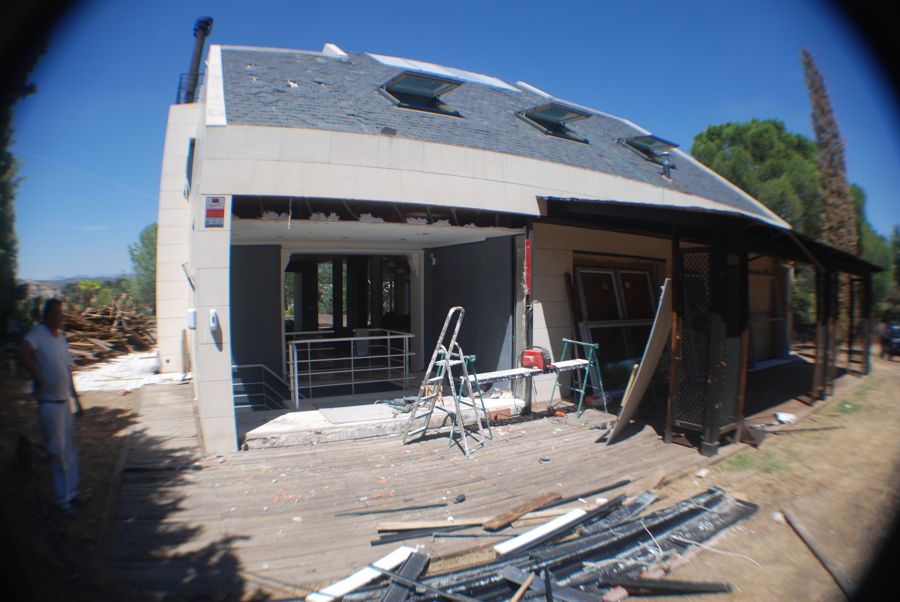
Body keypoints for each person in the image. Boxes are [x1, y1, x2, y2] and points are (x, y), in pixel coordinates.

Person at [18, 298, 84, 517]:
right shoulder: (39, 334)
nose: (59, 317)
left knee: (70, 451)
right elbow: (23, 351)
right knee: (57, 451)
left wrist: (78, 400)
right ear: (46, 316)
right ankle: (62, 501)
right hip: (49, 404)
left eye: (61, 314)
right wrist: (36, 376)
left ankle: (72, 493)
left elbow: (68, 370)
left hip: (65, 403)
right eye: (55, 314)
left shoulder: (61, 338)